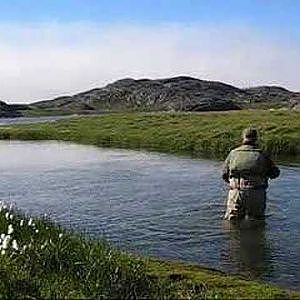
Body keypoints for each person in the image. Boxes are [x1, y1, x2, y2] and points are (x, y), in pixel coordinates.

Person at [222, 128, 280, 220]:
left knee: (232, 222)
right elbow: (275, 173)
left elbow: (224, 175)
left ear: (243, 138)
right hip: (256, 192)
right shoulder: (262, 154)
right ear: (256, 138)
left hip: (236, 192)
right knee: (258, 223)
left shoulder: (233, 153)